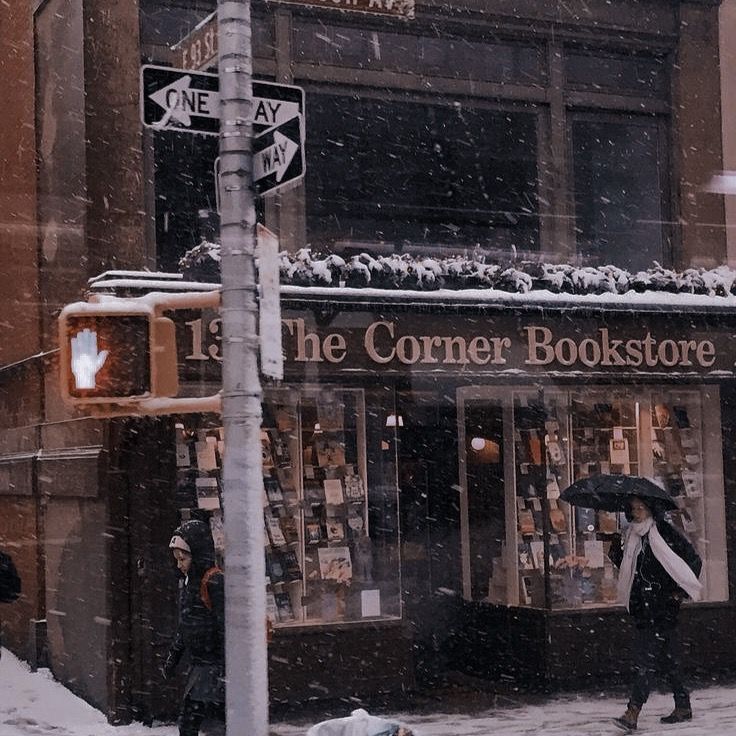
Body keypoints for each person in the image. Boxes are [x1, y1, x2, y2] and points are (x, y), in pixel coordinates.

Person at [609, 496, 703, 732]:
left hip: (662, 608)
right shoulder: (631, 536)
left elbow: (692, 559)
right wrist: (614, 549)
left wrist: (678, 591)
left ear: (651, 510)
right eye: (633, 509)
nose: (637, 513)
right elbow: (630, 570)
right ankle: (683, 706)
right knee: (668, 660)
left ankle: (633, 712)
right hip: (643, 608)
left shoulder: (663, 533)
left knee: (645, 662)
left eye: (641, 508)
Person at [162, 520, 225, 736]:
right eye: (177, 559)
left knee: (202, 722)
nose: (180, 564)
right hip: (201, 666)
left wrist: (226, 668)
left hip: (212, 667)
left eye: (184, 558)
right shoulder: (189, 583)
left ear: (197, 555)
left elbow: (225, 627)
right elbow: (186, 624)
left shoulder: (213, 582)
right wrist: (174, 656)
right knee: (191, 721)